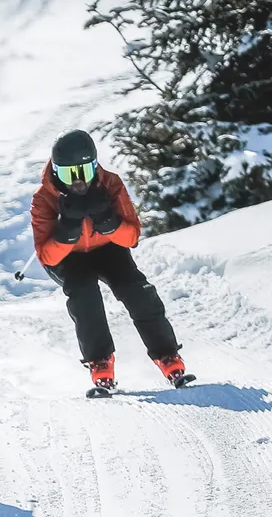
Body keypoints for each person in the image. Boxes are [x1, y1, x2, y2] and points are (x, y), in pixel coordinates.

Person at [31, 130, 189, 393]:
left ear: (95, 165)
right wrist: (68, 229)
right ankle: (100, 361)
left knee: (136, 290)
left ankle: (167, 355)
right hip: (68, 258)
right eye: (71, 174)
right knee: (84, 295)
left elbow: (132, 237)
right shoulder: (44, 199)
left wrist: (109, 221)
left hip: (107, 248)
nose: (79, 182)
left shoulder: (110, 184)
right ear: (57, 172)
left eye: (86, 172)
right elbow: (47, 256)